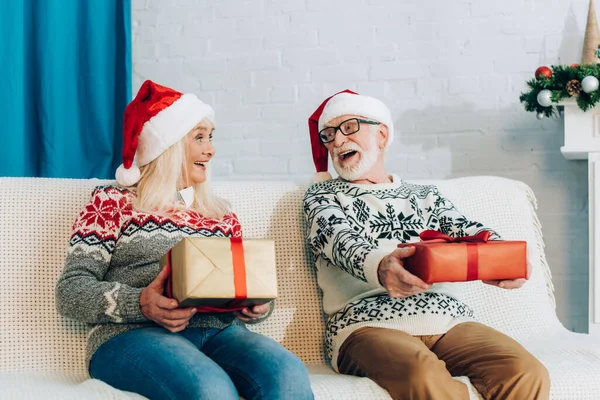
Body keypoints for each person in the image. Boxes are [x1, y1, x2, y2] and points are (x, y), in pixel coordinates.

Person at [56, 80, 313, 400]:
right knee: (211, 390)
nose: (211, 149)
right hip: (133, 335)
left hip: (221, 332)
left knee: (288, 375)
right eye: (200, 138)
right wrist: (141, 303)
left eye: (211, 137)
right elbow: (71, 291)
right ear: (170, 146)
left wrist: (257, 306)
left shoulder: (221, 214)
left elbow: (246, 289)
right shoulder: (113, 202)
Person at [303, 89, 550, 400]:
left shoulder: (425, 195)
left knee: (526, 372)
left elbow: (466, 230)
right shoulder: (322, 196)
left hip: (448, 320)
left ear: (381, 135)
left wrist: (503, 258)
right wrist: (382, 267)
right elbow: (342, 242)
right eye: (328, 135)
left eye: (349, 127)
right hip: (365, 327)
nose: (337, 141)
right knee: (423, 375)